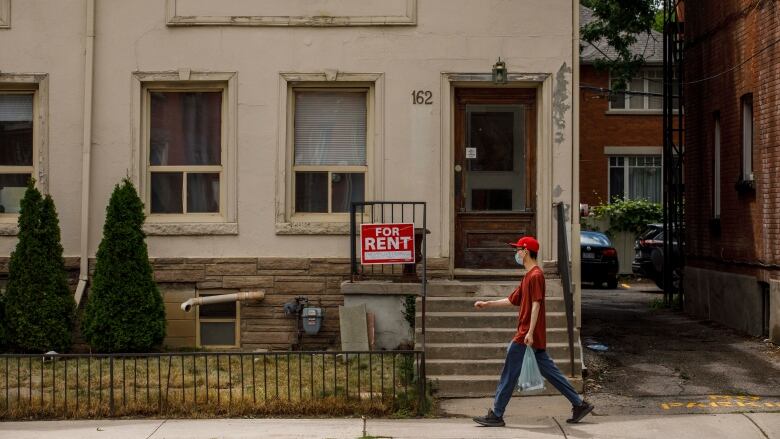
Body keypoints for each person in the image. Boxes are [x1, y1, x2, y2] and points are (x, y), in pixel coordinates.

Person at [472, 236, 594, 427]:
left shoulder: (536, 276)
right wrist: (487, 304)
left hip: (526, 336)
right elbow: (513, 300)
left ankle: (496, 414)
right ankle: (579, 404)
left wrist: (529, 332)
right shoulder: (529, 276)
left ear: (526, 251)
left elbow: (537, 304)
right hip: (532, 336)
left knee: (508, 373)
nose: (516, 253)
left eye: (518, 249)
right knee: (552, 373)